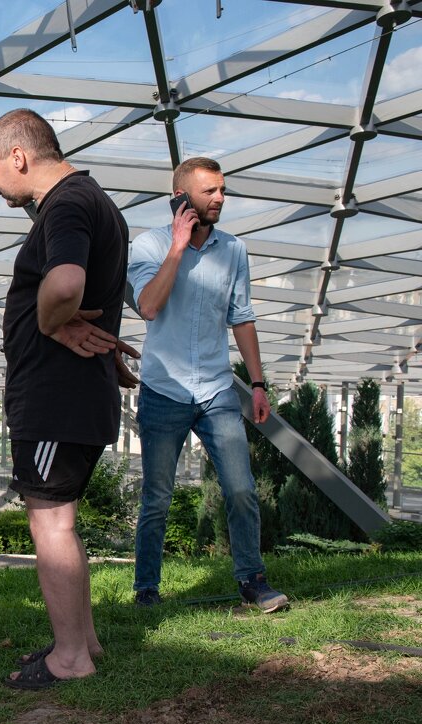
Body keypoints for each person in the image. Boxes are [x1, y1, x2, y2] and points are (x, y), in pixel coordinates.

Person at [0, 109, 135, 690]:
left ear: (18, 156)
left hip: (54, 396)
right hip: (75, 394)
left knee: (50, 523)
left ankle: (71, 657)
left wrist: (49, 324)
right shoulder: (94, 202)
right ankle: (82, 639)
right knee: (57, 520)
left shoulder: (67, 203)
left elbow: (67, 284)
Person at [127, 157, 288, 613]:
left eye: (222, 190)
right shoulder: (149, 245)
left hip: (217, 388)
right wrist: (177, 248)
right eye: (209, 192)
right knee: (157, 497)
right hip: (164, 389)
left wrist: (257, 383)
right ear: (180, 198)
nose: (220, 198)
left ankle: (253, 581)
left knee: (240, 489)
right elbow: (149, 307)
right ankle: (147, 589)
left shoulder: (233, 250)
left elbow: (242, 317)